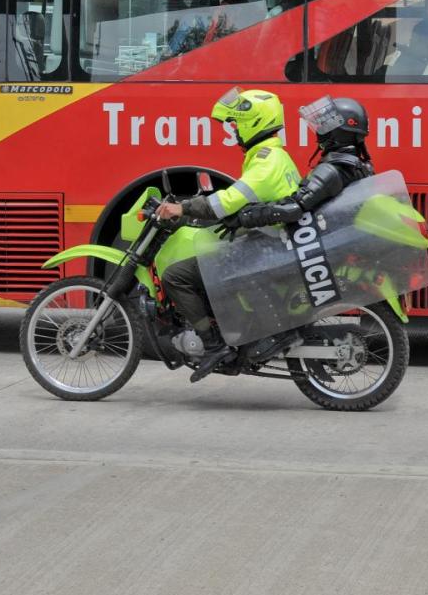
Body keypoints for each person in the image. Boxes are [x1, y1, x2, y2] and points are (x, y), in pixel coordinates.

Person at [156, 87, 301, 382]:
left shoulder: (265, 161)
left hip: (264, 249)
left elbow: (226, 202)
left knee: (176, 276)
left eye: (236, 124)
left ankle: (213, 346)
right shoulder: (277, 157)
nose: (233, 132)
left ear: (254, 122)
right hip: (274, 242)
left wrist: (181, 208)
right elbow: (247, 199)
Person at [227, 95, 375, 230]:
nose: (319, 131)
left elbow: (292, 208)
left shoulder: (331, 170)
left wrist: (244, 216)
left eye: (324, 125)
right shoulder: (362, 167)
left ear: (338, 131)